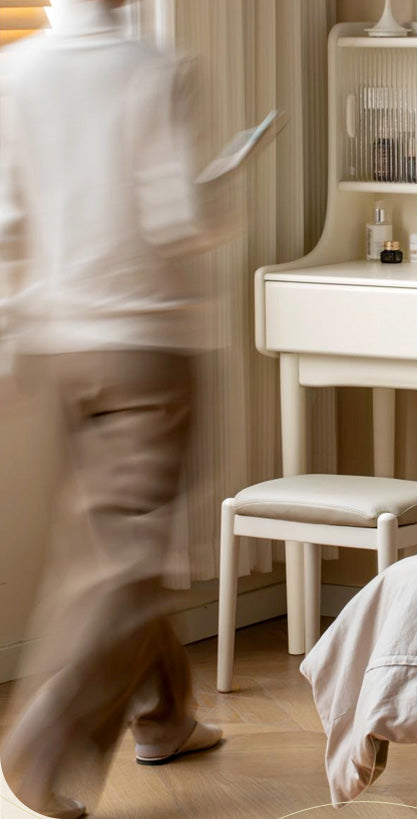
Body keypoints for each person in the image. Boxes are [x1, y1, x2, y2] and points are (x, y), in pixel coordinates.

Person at [0, 0, 231, 815]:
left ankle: (166, 714)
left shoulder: (14, 70)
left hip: (62, 348)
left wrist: (8, 342)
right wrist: (222, 194)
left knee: (115, 541)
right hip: (148, 346)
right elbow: (179, 219)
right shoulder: (151, 69)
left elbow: (8, 223)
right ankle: (39, 747)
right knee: (129, 557)